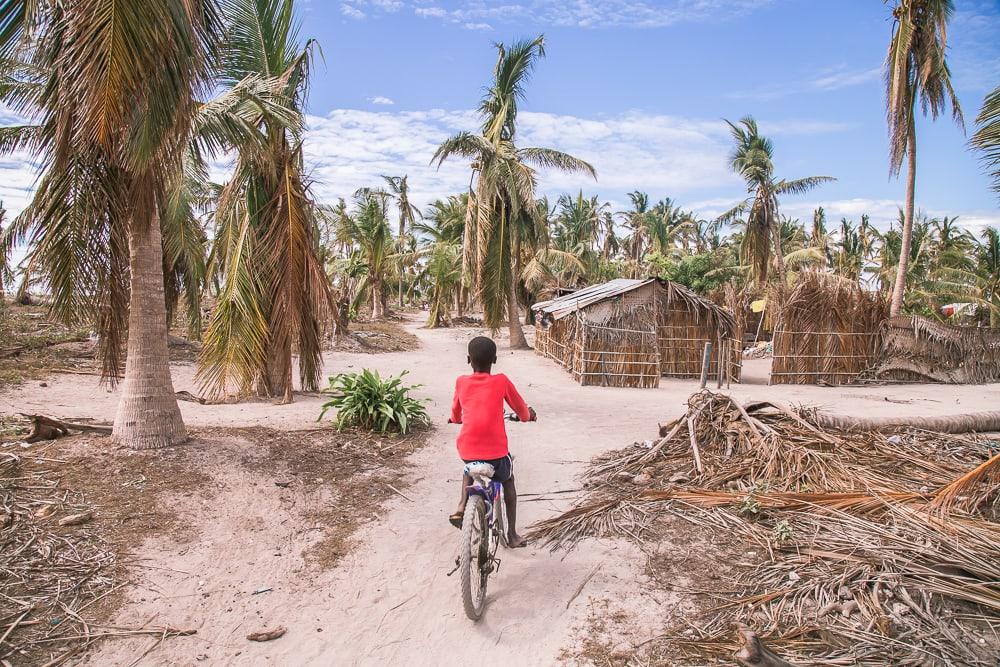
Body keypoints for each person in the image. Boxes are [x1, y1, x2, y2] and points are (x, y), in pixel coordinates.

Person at [448, 336, 536, 548]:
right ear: (495, 359)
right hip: (496, 455)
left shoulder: (461, 382)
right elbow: (522, 411)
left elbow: (456, 414)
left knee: (469, 468)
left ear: (469, 359)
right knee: (508, 480)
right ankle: (512, 535)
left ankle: (461, 505)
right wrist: (528, 416)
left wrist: (455, 419)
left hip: (467, 450)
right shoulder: (501, 381)